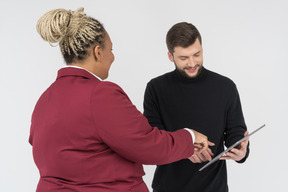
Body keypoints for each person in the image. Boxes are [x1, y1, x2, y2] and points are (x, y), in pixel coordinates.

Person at [28, 8, 212, 192]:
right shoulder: (100, 94)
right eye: (111, 49)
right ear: (98, 52)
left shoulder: (45, 100)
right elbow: (148, 145)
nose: (113, 56)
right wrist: (190, 136)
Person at [143, 22, 250, 192]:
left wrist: (240, 151)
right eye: (184, 58)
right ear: (171, 56)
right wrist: (183, 148)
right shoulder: (156, 88)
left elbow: (235, 131)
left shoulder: (225, 87)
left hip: (214, 187)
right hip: (168, 187)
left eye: (197, 54)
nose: (192, 63)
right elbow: (153, 140)